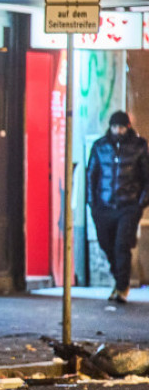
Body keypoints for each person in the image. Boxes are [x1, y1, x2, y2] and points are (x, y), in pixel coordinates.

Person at [86, 110, 149, 304]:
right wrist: (92, 203)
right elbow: (91, 175)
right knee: (106, 244)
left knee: (122, 245)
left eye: (121, 127)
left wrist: (141, 204)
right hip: (103, 206)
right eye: (114, 127)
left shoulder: (139, 146)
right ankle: (118, 279)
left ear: (127, 127)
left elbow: (147, 177)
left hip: (128, 205)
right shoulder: (100, 146)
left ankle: (122, 287)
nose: (117, 131)